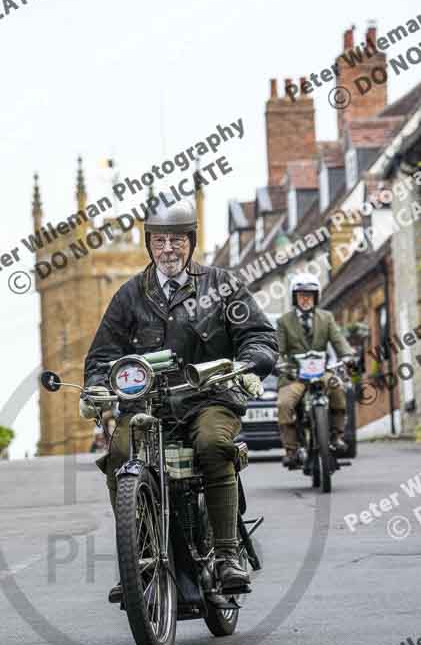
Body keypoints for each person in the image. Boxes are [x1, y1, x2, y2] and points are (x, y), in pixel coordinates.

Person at [80, 198, 278, 601]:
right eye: (159, 241)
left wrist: (253, 361)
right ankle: (137, 562)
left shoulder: (221, 285)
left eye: (176, 240)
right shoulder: (129, 295)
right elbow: (103, 354)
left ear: (190, 241)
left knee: (213, 444)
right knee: (119, 455)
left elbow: (258, 334)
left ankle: (226, 556)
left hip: (209, 399)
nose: (167, 249)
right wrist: (98, 385)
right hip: (146, 407)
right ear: (148, 244)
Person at [276, 273, 354, 468]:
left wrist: (347, 355)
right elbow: (279, 350)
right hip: (294, 375)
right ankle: (291, 450)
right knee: (285, 403)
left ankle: (336, 436)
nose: (305, 299)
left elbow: (339, 341)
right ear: (295, 297)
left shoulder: (326, 318)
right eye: (301, 295)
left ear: (316, 297)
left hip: (321, 371)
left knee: (338, 389)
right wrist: (278, 363)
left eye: (309, 295)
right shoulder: (284, 321)